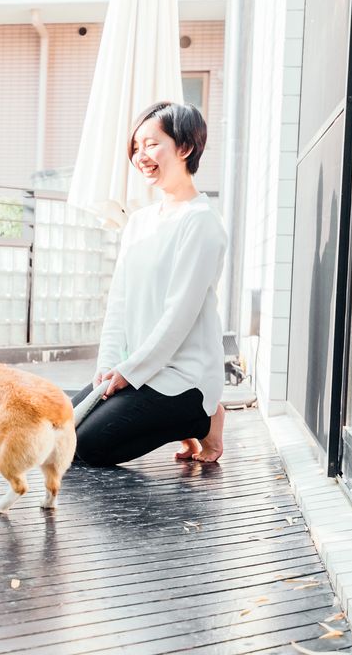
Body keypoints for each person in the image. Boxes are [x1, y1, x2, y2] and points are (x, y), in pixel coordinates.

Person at [72, 101, 228, 466]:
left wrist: (128, 372)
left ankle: (203, 418)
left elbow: (179, 316)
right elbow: (119, 302)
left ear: (185, 148)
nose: (141, 156)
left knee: (90, 447)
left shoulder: (202, 222)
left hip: (182, 378)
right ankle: (168, 419)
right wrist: (109, 364)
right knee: (59, 432)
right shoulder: (140, 222)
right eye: (136, 147)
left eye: (152, 144)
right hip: (141, 370)